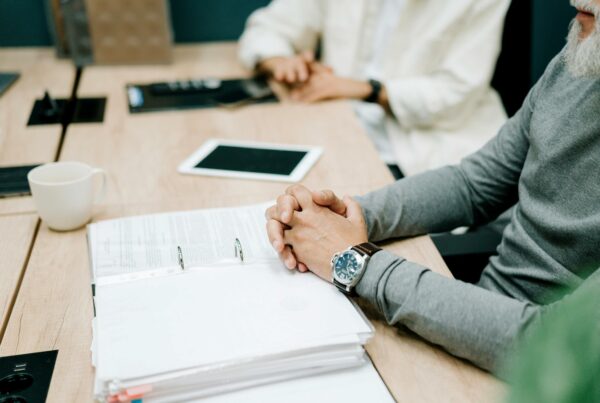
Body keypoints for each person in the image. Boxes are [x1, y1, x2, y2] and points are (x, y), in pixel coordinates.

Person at [264, 0, 600, 372]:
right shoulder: (579, 63)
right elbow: (473, 185)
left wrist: (356, 263)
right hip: (465, 328)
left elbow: (548, 343)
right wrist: (342, 216)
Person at [239, 0, 510, 177]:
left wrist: (366, 90)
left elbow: (456, 94)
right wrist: (280, 61)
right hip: (337, 131)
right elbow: (269, 27)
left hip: (427, 151)